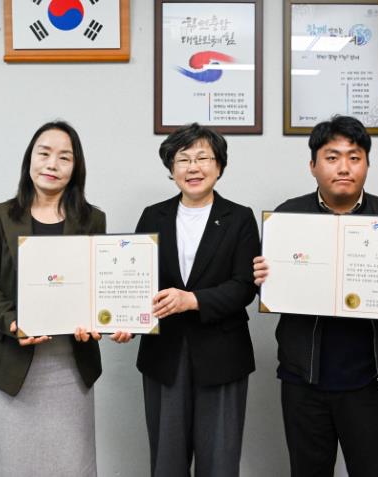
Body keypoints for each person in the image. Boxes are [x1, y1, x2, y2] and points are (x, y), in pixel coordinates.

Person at [253, 116, 378, 477]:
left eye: (354, 157)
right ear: (313, 165)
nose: (344, 167)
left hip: (371, 382)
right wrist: (260, 278)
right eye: (332, 157)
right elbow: (265, 287)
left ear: (367, 164)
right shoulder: (288, 217)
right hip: (304, 380)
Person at [0, 121, 127, 476]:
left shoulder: (92, 219)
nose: (52, 164)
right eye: (44, 153)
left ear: (75, 168)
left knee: (71, 464)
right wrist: (13, 322)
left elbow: (98, 285)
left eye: (64, 157)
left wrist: (105, 319)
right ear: (30, 160)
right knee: (14, 464)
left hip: (71, 366)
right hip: (12, 365)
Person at [134, 123, 260, 477]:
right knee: (167, 463)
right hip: (164, 354)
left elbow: (244, 286)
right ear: (171, 168)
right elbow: (135, 279)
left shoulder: (240, 218)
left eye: (203, 158)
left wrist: (193, 300)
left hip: (223, 355)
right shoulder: (152, 215)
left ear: (219, 166)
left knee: (220, 462)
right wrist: (124, 318)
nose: (193, 167)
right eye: (183, 159)